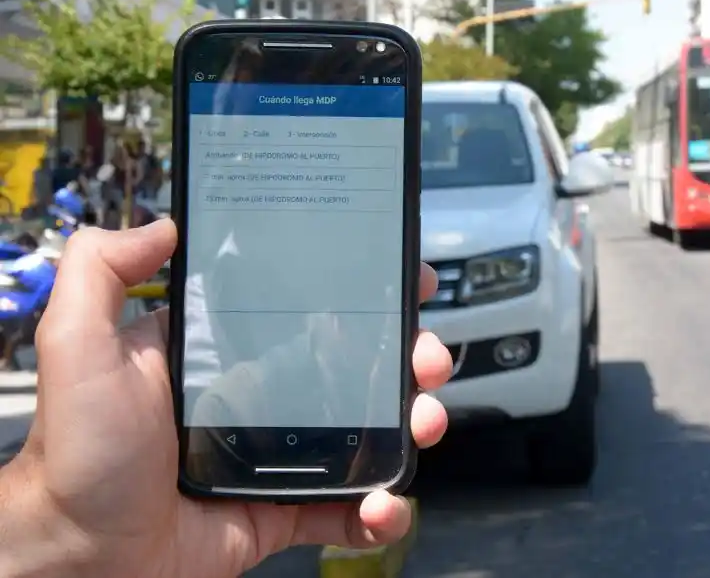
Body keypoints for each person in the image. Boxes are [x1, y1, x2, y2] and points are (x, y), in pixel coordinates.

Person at [0, 220, 453, 578]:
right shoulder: (232, 406)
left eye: (381, 318)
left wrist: (57, 531)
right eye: (358, 317)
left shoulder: (368, 396)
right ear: (325, 313)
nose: (377, 339)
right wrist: (60, 525)